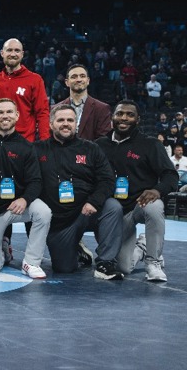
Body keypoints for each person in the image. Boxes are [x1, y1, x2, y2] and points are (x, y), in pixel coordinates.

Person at [35, 104, 123, 279]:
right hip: (59, 221)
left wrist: (94, 201)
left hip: (86, 211)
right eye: (60, 120)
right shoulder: (37, 149)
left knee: (112, 206)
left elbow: (107, 179)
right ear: (51, 124)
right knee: (64, 268)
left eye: (70, 120)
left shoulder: (91, 148)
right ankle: (77, 247)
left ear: (76, 123)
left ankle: (105, 262)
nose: (65, 124)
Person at [96, 100, 178, 282]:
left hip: (140, 204)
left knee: (155, 207)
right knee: (123, 267)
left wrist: (157, 190)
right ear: (112, 118)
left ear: (138, 120)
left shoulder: (150, 145)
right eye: (119, 114)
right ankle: (142, 246)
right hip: (115, 213)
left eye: (130, 114)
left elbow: (171, 176)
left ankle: (153, 262)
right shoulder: (99, 145)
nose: (124, 118)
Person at [0, 99, 50, 278]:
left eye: (9, 112)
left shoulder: (26, 147)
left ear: (17, 116)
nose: (5, 116)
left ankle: (31, 262)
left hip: (16, 207)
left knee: (43, 211)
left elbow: (36, 181)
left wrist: (25, 199)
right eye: (0, 112)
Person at [0, 38, 50, 142]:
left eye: (17, 51)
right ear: (2, 53)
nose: (13, 54)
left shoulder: (35, 80)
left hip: (25, 142)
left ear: (22, 54)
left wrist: (45, 143)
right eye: (9, 50)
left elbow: (42, 112)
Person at [59, 64, 112, 141]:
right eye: (74, 77)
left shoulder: (102, 108)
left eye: (82, 76)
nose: (79, 79)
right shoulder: (56, 109)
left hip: (90, 152)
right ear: (67, 82)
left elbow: (103, 141)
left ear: (88, 81)